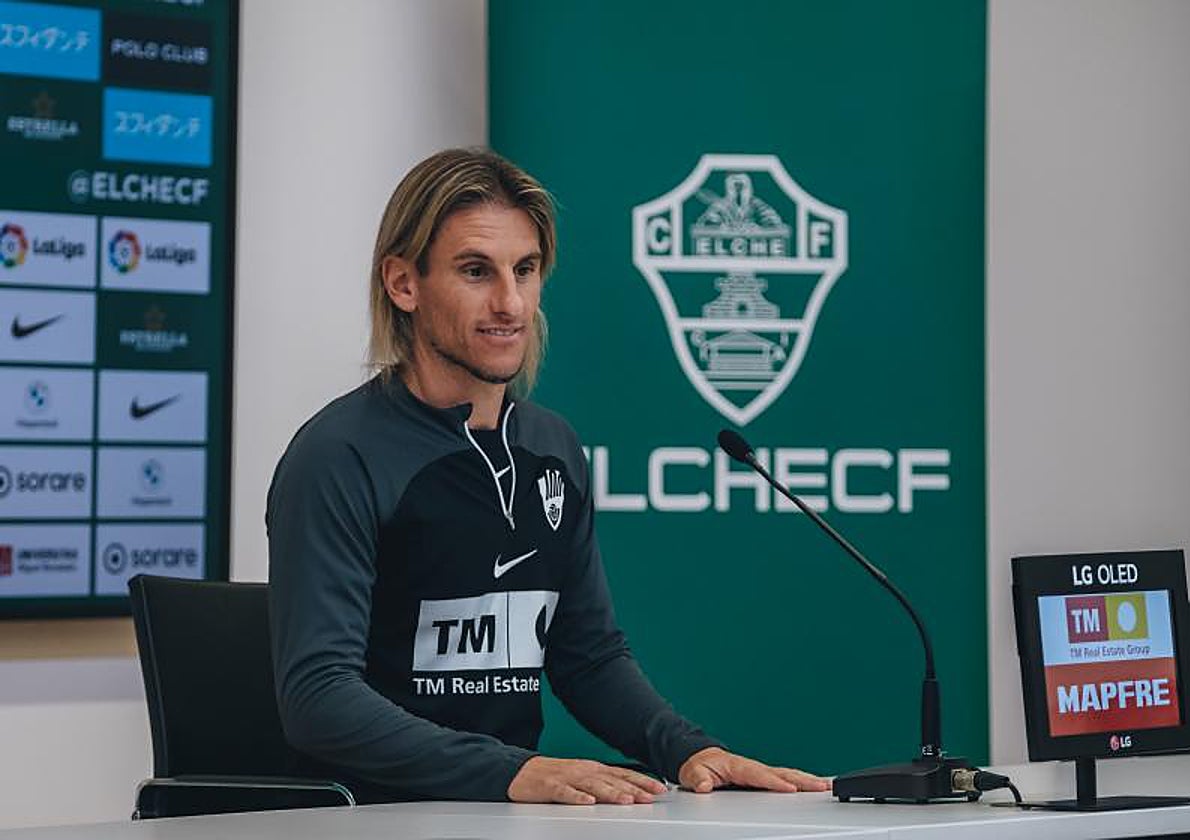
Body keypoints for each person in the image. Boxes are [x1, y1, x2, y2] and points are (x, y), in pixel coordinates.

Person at [266, 148, 830, 805]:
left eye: (525, 270)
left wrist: (689, 750)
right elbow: (318, 698)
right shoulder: (338, 455)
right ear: (403, 284)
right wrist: (506, 770)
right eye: (476, 271)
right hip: (371, 817)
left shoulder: (551, 446)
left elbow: (587, 658)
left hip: (508, 814)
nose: (510, 303)